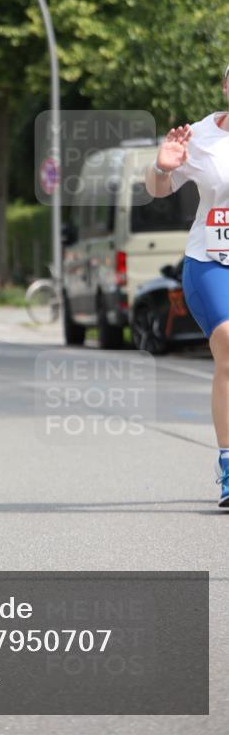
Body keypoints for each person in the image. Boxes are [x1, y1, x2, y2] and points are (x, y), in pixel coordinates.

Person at [145, 64, 229, 508]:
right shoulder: (201, 135)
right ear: (226, 86)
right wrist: (161, 167)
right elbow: (159, 189)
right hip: (212, 260)